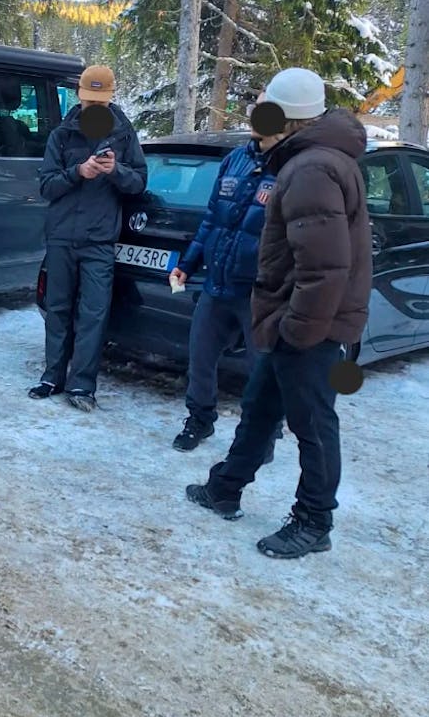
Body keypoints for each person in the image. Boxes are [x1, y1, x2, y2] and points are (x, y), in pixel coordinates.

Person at [186, 67, 373, 559]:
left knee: (312, 423)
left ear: (289, 119)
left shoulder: (311, 169)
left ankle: (314, 520)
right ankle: (225, 486)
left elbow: (325, 267)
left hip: (310, 324)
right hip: (291, 318)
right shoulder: (309, 160)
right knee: (261, 405)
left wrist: (299, 329)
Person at [168, 92, 284, 452]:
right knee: (200, 357)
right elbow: (212, 219)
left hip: (259, 290)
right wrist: (187, 264)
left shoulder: (292, 168)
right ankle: (199, 420)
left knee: (261, 369)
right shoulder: (234, 160)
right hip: (218, 282)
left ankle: (262, 437)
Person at [29, 65, 147, 411]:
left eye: (100, 100)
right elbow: (47, 186)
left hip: (99, 240)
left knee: (93, 313)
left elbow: (139, 182)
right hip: (62, 236)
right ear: (79, 95)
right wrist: (77, 172)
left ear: (110, 98)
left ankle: (82, 386)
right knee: (58, 309)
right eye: (88, 99)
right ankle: (52, 376)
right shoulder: (62, 135)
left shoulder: (124, 134)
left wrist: (116, 172)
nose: (93, 105)